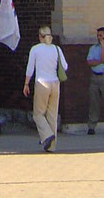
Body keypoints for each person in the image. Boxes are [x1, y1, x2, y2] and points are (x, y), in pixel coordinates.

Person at [23, 25, 67, 153]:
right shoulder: (56, 49)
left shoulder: (35, 49)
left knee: (38, 114)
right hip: (55, 83)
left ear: (39, 36)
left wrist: (26, 84)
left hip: (42, 83)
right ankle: (52, 146)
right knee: (52, 115)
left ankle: (47, 136)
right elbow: (65, 66)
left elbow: (30, 68)